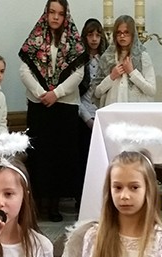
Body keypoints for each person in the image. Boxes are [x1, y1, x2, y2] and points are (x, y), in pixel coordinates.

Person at [19, 0, 87, 222]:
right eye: (52, 12)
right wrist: (42, 93)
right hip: (40, 106)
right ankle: (39, 203)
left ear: (66, 16)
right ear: (46, 14)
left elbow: (78, 73)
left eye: (60, 13)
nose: (56, 17)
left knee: (60, 156)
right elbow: (24, 70)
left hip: (65, 107)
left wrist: (56, 93)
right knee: (40, 155)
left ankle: (55, 205)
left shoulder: (74, 41)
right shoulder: (35, 38)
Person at [75, 18, 108, 210]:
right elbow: (76, 95)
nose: (94, 39)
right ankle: (82, 199)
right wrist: (87, 118)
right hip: (83, 117)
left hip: (103, 115)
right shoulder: (79, 60)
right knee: (83, 160)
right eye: (90, 35)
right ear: (84, 37)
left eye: (98, 35)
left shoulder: (107, 59)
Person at [92, 15, 156, 107]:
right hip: (112, 109)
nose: (122, 36)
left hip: (136, 110)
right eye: (119, 33)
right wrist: (112, 77)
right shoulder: (107, 57)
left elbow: (151, 90)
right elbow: (97, 93)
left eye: (126, 32)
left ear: (133, 34)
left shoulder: (142, 56)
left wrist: (132, 73)